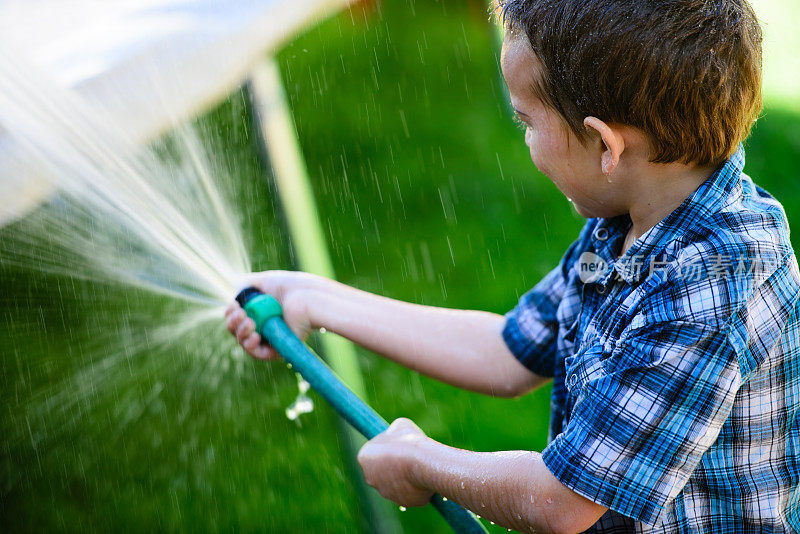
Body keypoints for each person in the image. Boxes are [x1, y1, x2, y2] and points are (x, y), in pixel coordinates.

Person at [226, 0, 800, 531]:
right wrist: (317, 300)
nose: (525, 142)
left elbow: (566, 500)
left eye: (528, 122)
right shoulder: (638, 219)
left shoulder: (712, 283)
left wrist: (426, 463)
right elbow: (507, 351)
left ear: (606, 147)